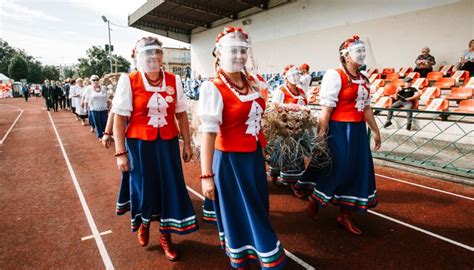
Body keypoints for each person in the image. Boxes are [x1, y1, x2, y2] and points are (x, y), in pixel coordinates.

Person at [198, 26, 286, 269]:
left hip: (253, 159)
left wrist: (262, 153)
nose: (239, 56)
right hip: (229, 162)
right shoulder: (213, 87)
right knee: (240, 212)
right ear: (219, 54)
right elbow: (208, 133)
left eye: (243, 51)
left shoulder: (253, 83)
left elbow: (256, 125)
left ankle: (253, 254)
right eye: (233, 51)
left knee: (257, 208)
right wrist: (206, 175)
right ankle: (261, 259)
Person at [111, 36, 198, 261]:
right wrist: (120, 152)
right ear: (139, 57)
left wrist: (187, 143)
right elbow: (120, 119)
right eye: (148, 53)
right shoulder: (128, 81)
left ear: (162, 56)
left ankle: (165, 235)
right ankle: (144, 223)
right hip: (140, 146)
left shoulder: (173, 79)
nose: (153, 57)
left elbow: (181, 114)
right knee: (144, 187)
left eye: (157, 53)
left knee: (170, 187)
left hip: (167, 143)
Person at [302, 35, 381, 235]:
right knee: (338, 168)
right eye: (358, 51)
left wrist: (376, 131)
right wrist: (321, 133)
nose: (362, 55)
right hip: (339, 130)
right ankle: (315, 200)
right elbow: (326, 109)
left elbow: (367, 108)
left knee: (358, 170)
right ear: (346, 56)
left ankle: (344, 215)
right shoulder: (335, 75)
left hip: (357, 132)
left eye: (364, 51)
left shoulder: (363, 79)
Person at [269, 64, 308, 197]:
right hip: (285, 129)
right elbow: (274, 107)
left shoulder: (301, 91)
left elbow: (305, 106)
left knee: (297, 155)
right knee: (284, 153)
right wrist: (289, 109)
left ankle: (295, 183)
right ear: (286, 77)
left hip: (298, 129)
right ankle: (287, 181)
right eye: (294, 75)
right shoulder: (281, 90)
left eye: (298, 74)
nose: (296, 77)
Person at [86, 75, 108, 140]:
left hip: (104, 108)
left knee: (104, 122)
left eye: (97, 79)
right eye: (94, 80)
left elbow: (107, 97)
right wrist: (86, 107)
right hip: (94, 109)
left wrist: (109, 104)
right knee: (98, 123)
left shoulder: (103, 88)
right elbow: (87, 98)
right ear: (91, 81)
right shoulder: (89, 89)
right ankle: (100, 136)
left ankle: (105, 134)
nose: (96, 81)